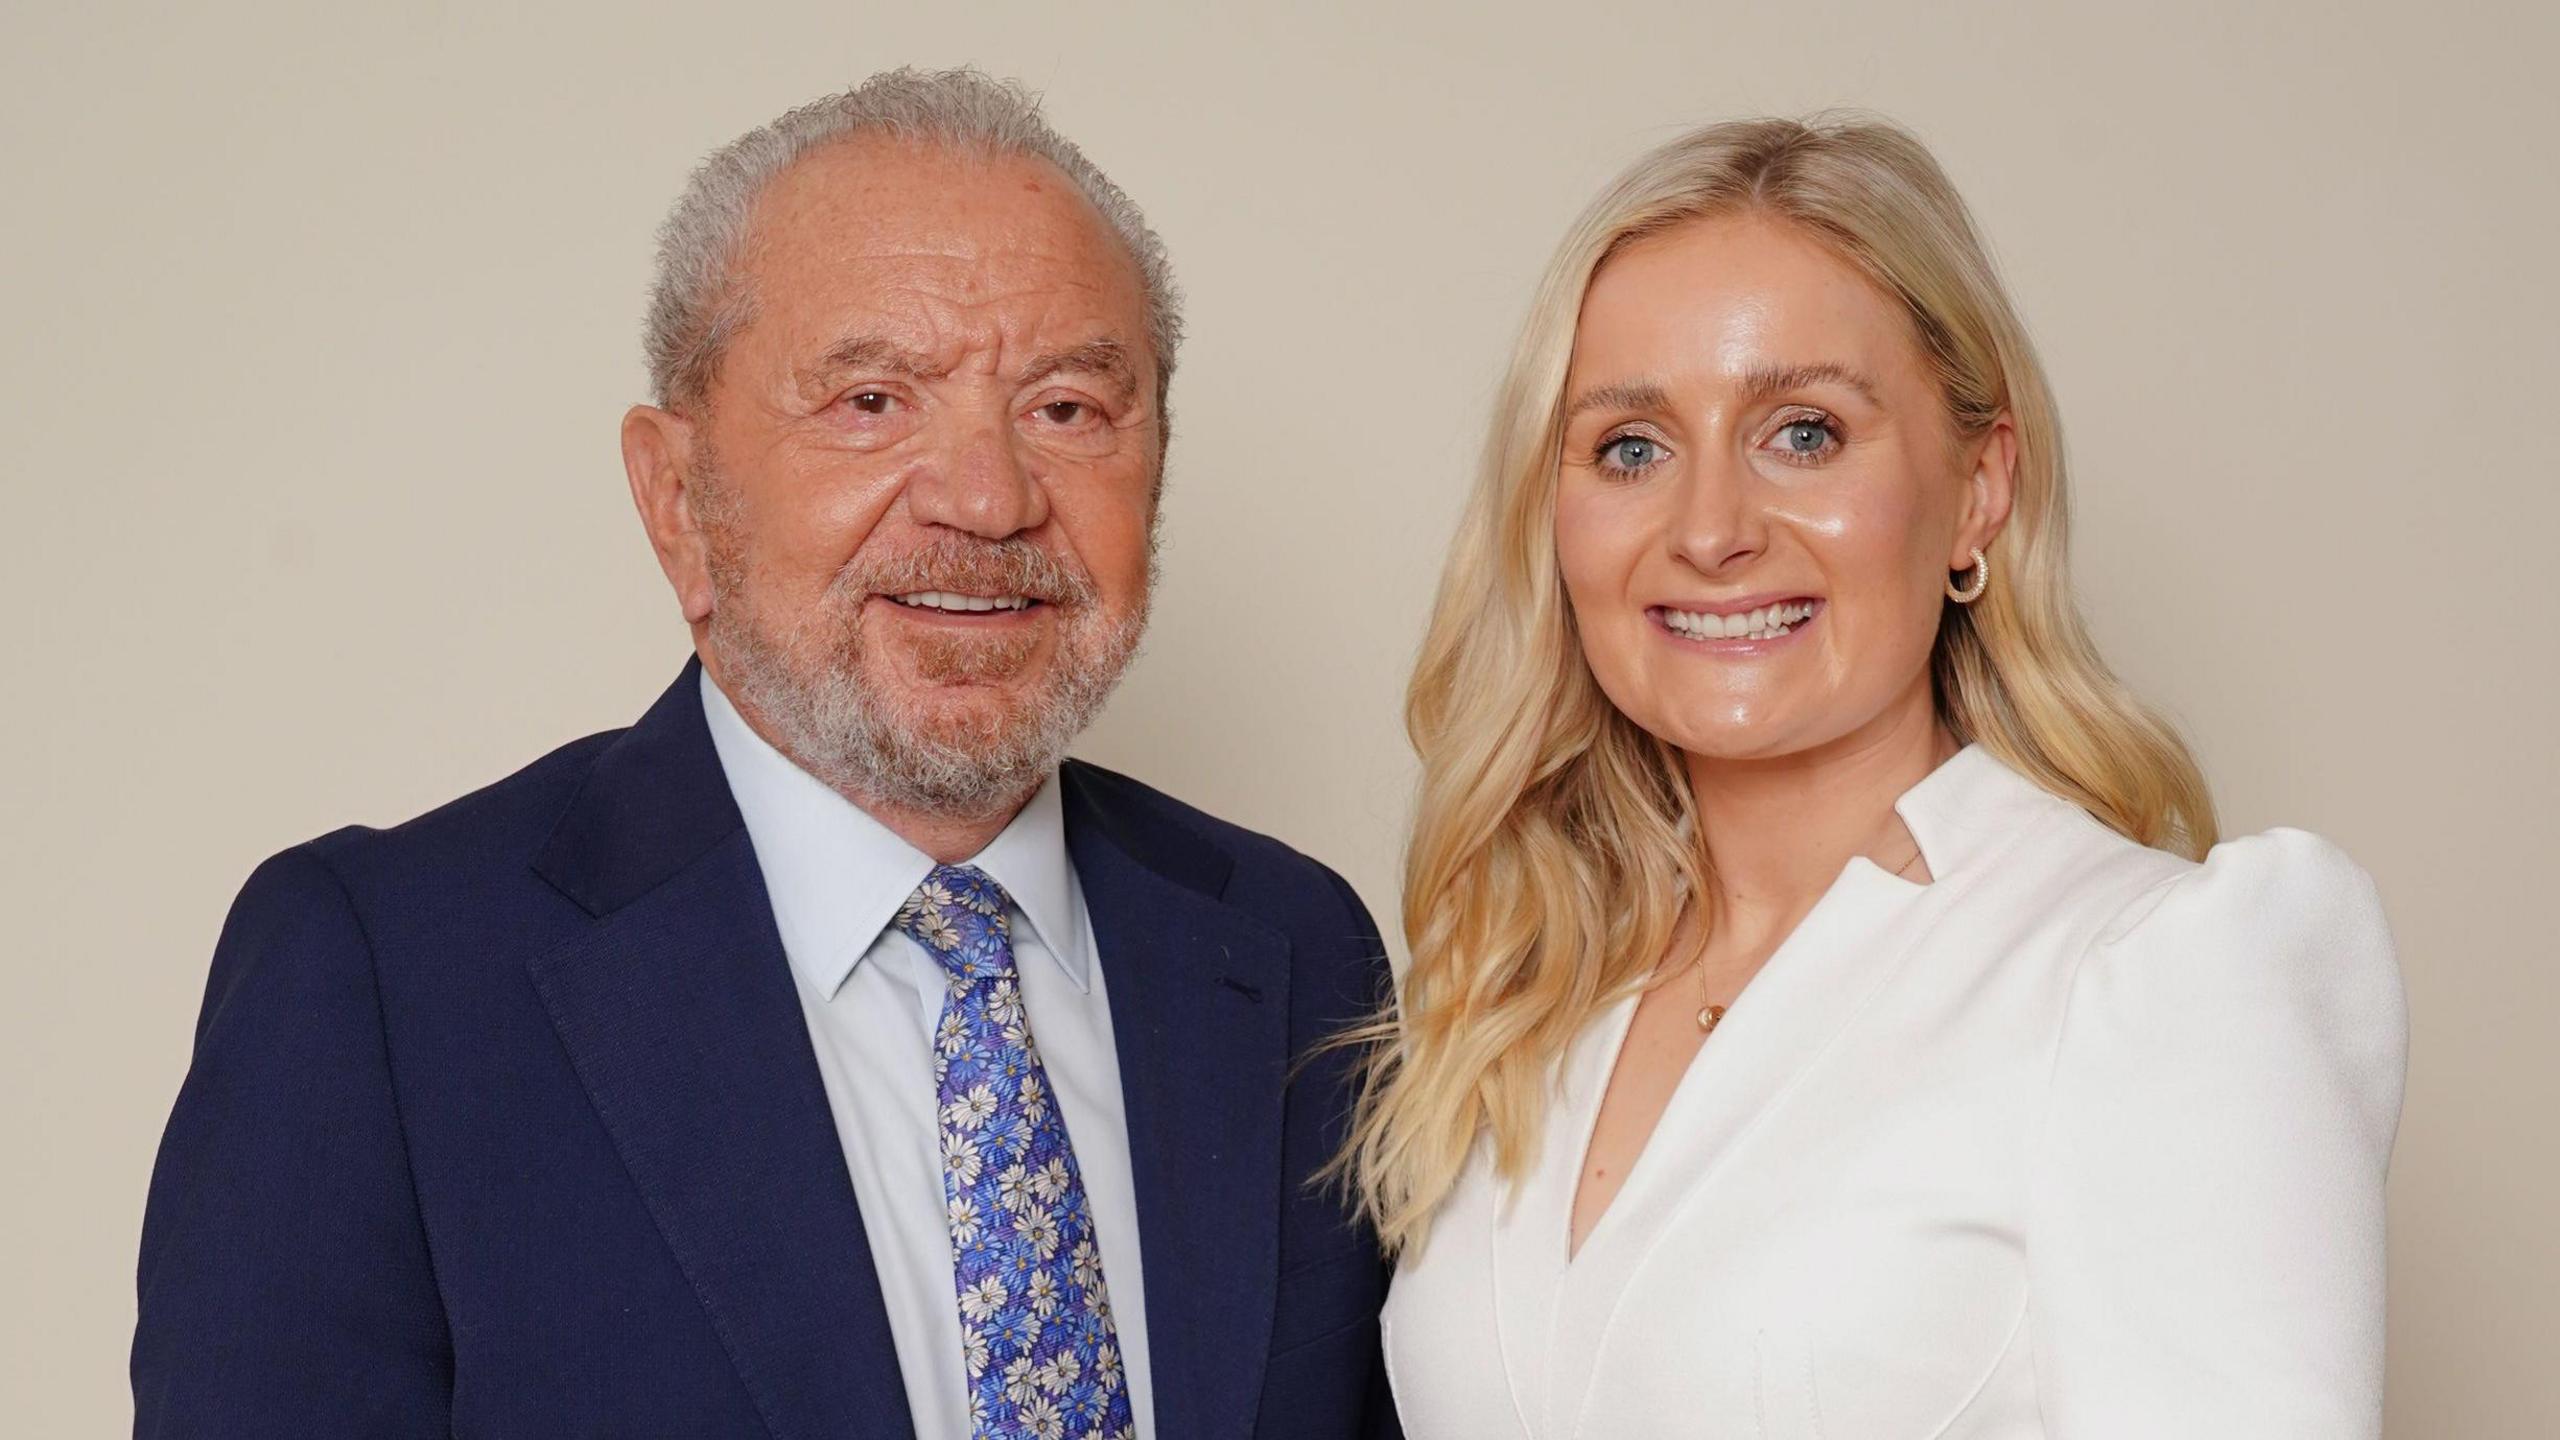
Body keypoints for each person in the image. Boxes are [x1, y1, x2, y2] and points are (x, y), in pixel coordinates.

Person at [134, 68, 1398, 1440]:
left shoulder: (1292, 947)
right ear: (677, 502)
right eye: (871, 400)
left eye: (1069, 409)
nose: (987, 497)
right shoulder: (384, 982)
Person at [1341, 116, 2407, 1437]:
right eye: (1631, 447)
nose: (1713, 529)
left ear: (1976, 490)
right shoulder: (1523, 998)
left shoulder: (2152, 978)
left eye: (1803, 432)